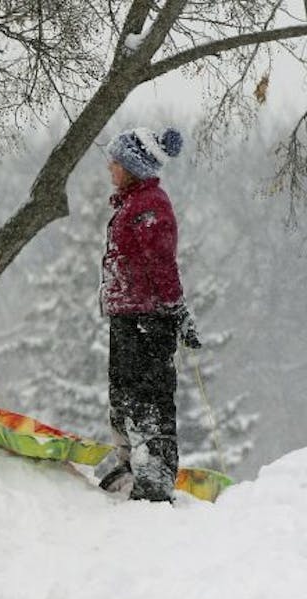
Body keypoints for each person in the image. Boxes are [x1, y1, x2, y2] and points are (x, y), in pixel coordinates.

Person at [96, 126, 199, 502]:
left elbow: (162, 264)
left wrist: (176, 309)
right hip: (126, 314)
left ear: (132, 165)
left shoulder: (150, 205)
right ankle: (129, 462)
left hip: (148, 318)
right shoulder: (130, 203)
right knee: (122, 392)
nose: (109, 165)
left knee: (148, 395)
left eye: (116, 160)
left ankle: (154, 472)